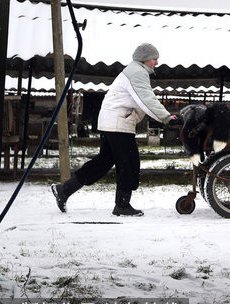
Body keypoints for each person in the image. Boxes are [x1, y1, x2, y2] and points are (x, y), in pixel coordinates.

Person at [51, 43, 178, 216]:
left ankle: (65, 190)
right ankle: (122, 205)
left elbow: (141, 101)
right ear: (144, 58)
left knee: (103, 162)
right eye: (154, 58)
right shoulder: (137, 72)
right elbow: (146, 99)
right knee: (129, 162)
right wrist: (167, 119)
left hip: (112, 122)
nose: (156, 62)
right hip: (118, 124)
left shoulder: (134, 71)